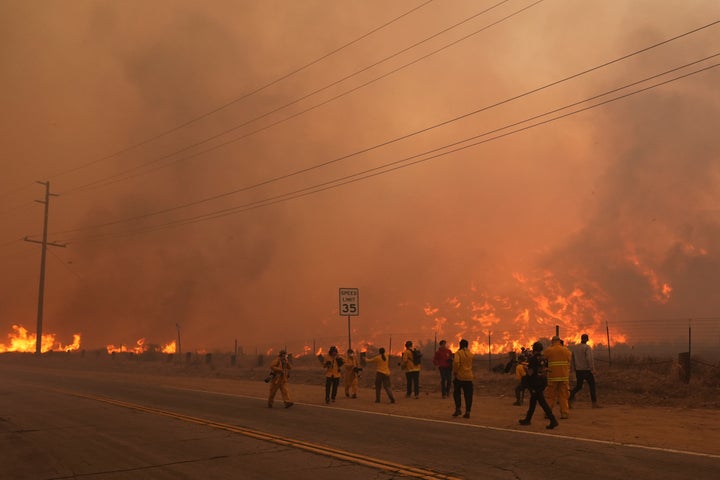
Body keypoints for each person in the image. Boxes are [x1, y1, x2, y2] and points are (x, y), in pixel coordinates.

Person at [518, 341, 559, 429]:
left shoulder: (533, 359)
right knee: (533, 401)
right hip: (542, 382)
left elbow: (530, 373)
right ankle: (528, 419)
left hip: (535, 383)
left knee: (542, 402)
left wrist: (524, 367)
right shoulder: (544, 358)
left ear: (534, 349)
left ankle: (553, 420)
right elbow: (546, 368)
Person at [544, 335, 573, 419]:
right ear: (560, 341)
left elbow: (544, 359)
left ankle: (548, 413)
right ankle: (564, 413)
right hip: (564, 377)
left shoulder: (549, 350)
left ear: (552, 341)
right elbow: (569, 361)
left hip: (553, 377)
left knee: (550, 396)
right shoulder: (566, 350)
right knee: (563, 396)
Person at [570, 333, 600, 408]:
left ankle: (569, 398)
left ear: (581, 339)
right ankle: (594, 403)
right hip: (586, 370)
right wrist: (592, 369)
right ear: (587, 339)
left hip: (578, 370)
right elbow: (589, 359)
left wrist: (574, 369)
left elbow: (572, 359)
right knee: (592, 385)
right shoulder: (587, 347)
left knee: (579, 386)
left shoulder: (575, 348)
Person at [451, 339, 474, 418]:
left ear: (460, 345)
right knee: (468, 395)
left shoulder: (458, 353)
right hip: (469, 377)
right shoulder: (470, 354)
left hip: (460, 377)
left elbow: (456, 362)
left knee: (456, 393)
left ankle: (458, 409)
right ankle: (467, 412)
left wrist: (455, 372)